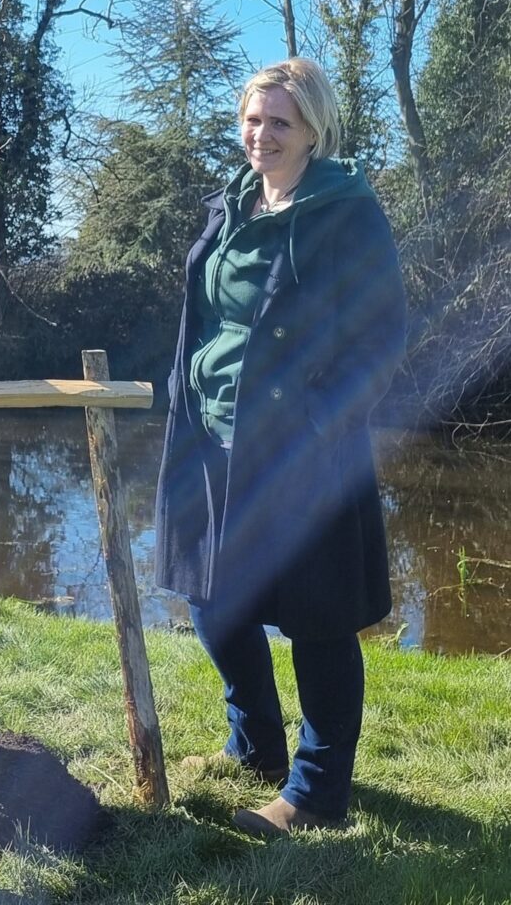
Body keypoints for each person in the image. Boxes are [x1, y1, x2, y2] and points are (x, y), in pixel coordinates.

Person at [154, 57, 406, 837]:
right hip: (211, 437)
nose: (260, 135)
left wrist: (322, 425)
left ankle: (314, 792)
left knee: (317, 619)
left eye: (279, 123)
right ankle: (255, 745)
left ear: (312, 131)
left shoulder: (344, 212)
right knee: (212, 600)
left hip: (301, 449)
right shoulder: (228, 205)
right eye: (252, 120)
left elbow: (382, 335)